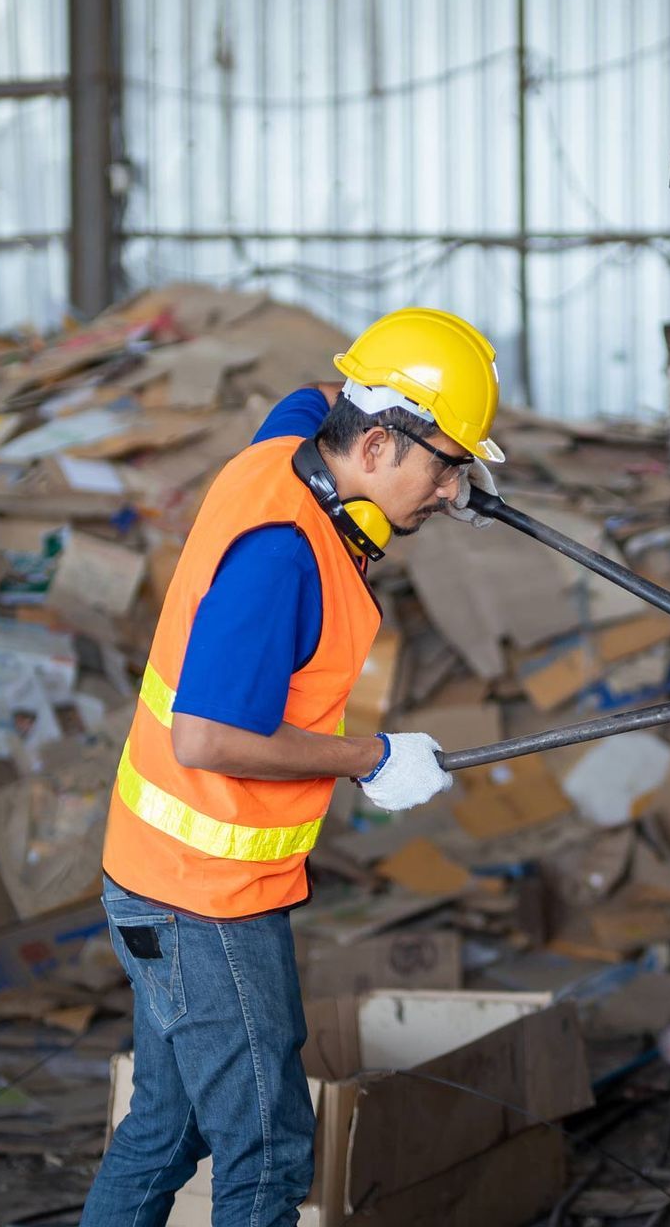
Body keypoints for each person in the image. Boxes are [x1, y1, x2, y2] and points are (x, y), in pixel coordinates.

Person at [79, 307, 505, 1226]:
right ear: (381, 444)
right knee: (268, 1151)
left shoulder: (283, 450)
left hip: (154, 873)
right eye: (442, 468)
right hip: (206, 901)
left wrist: (453, 466)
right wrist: (371, 759)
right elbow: (203, 736)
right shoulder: (281, 555)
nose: (446, 492)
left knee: (165, 1123)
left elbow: (313, 391)